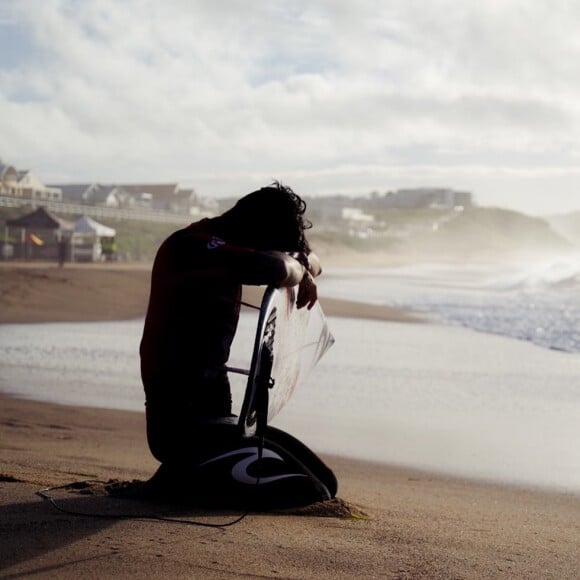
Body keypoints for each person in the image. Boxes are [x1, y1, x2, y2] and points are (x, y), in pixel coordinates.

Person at [139, 182, 337, 508]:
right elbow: (275, 267)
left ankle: (186, 475)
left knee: (325, 481)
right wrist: (298, 268)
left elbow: (312, 261)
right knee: (308, 491)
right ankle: (179, 477)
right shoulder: (192, 247)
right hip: (177, 425)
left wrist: (303, 263)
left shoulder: (231, 246)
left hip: (219, 414)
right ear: (254, 228)